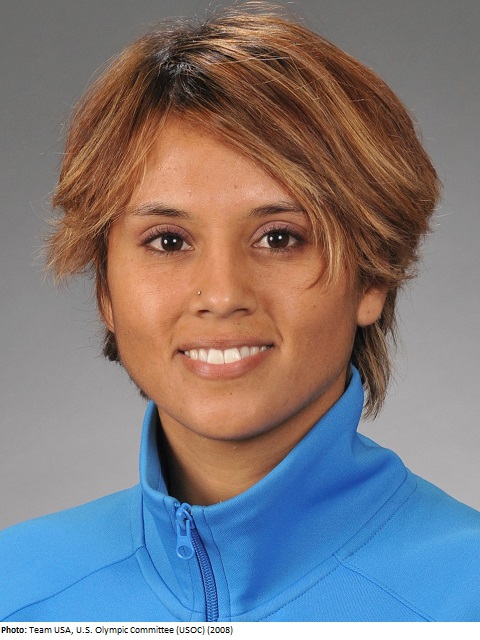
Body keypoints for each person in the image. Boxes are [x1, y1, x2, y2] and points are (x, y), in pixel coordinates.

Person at [1, 2, 479, 623]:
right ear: (104, 290)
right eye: (168, 241)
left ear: (373, 277)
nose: (223, 294)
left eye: (280, 237)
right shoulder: (14, 591)